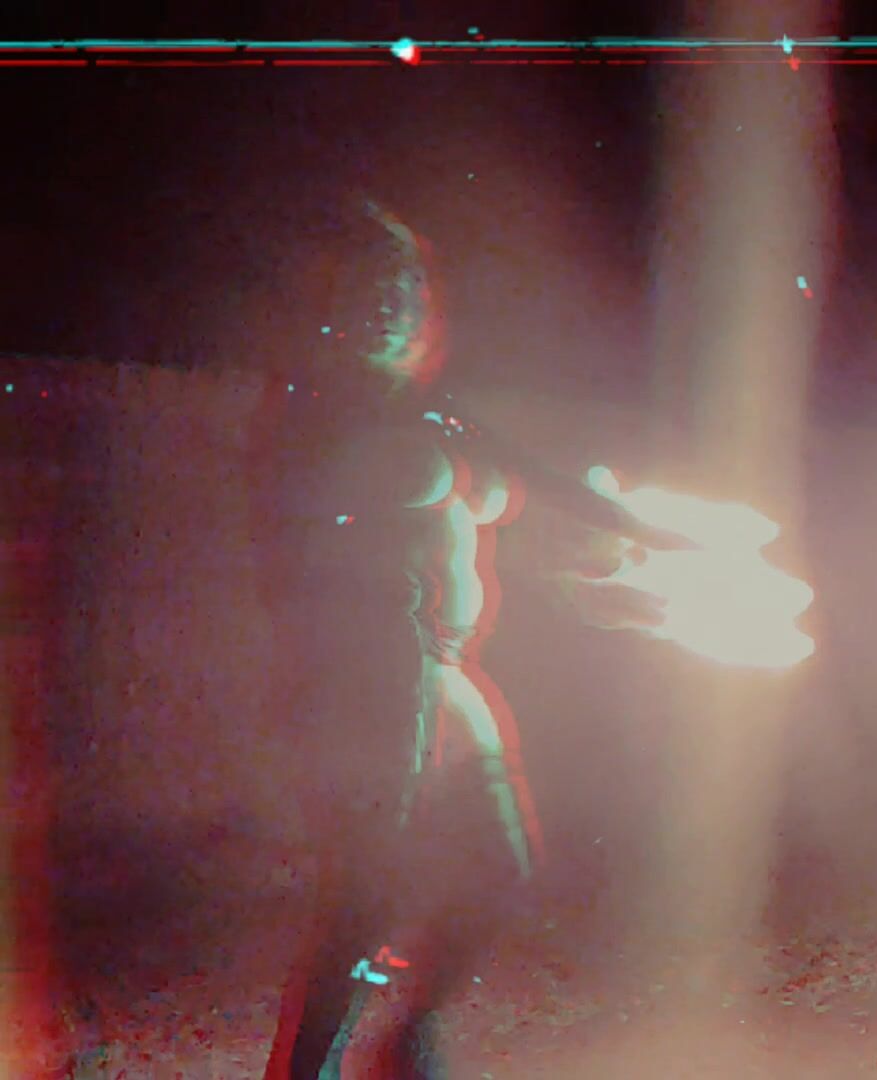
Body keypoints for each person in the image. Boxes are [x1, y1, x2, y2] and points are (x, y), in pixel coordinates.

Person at [259, 201, 542, 1080]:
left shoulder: (423, 412)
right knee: (366, 894)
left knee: (502, 869)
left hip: (444, 673)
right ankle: (308, 1070)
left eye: (406, 290)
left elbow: (497, 494)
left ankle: (408, 1035)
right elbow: (332, 526)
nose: (394, 307)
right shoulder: (317, 414)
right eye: (374, 291)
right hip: (368, 680)